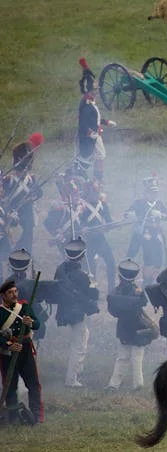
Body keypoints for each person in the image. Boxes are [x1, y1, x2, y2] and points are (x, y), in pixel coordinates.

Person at [106, 259, 158, 391]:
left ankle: (114, 384)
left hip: (123, 327)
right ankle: (138, 384)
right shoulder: (137, 292)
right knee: (137, 358)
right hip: (138, 326)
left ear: (120, 275)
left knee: (122, 357)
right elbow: (144, 302)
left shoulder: (116, 291)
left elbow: (113, 311)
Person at [54, 238, 99, 388]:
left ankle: (78, 367)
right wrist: (92, 285)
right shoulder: (82, 276)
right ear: (82, 256)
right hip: (76, 312)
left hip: (65, 309)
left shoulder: (60, 269)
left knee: (83, 336)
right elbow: (89, 296)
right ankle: (71, 379)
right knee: (77, 345)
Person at [0, 280, 43, 424]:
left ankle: (36, 415)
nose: (14, 295)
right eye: (10, 292)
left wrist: (30, 322)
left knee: (33, 384)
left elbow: (37, 324)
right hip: (8, 353)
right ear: (3, 296)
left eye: (15, 291)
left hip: (25, 350)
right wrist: (7, 345)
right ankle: (12, 417)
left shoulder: (24, 307)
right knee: (10, 386)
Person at [125, 176, 167, 286]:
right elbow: (126, 214)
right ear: (146, 193)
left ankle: (152, 281)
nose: (153, 195)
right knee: (149, 260)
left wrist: (161, 214)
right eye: (151, 192)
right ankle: (146, 283)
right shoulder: (139, 203)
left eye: (155, 193)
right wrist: (132, 215)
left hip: (157, 234)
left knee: (159, 261)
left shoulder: (159, 204)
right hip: (144, 234)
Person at [4, 134, 45, 254]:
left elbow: (39, 193)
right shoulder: (9, 180)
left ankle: (22, 252)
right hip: (11, 210)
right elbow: (3, 197)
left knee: (29, 229)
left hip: (26, 210)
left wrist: (33, 197)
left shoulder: (31, 179)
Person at [78, 179, 116, 291]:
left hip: (100, 239)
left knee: (111, 262)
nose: (96, 195)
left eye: (96, 192)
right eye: (93, 192)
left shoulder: (102, 204)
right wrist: (82, 228)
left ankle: (111, 289)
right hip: (88, 241)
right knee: (89, 268)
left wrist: (108, 226)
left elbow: (109, 221)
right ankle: (91, 291)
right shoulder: (81, 206)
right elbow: (77, 223)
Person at [76, 88, 116, 181]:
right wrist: (89, 133)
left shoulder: (90, 105)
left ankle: (96, 179)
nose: (97, 92)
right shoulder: (87, 106)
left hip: (94, 134)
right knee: (96, 156)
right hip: (90, 135)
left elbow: (94, 119)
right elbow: (82, 123)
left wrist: (106, 122)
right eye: (94, 90)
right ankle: (95, 179)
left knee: (98, 156)